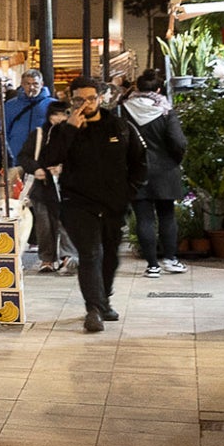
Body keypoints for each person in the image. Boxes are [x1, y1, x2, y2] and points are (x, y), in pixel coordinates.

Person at [40, 76, 146, 334]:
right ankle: (94, 310)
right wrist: (70, 129)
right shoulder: (63, 129)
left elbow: (139, 163)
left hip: (113, 204)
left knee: (110, 255)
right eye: (78, 99)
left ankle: (103, 301)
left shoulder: (119, 126)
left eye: (90, 98)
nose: (85, 104)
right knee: (90, 253)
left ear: (101, 98)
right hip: (77, 203)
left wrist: (128, 192)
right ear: (70, 98)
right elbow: (49, 158)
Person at [122, 73, 191, 277]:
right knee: (167, 215)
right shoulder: (165, 111)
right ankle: (170, 259)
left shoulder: (124, 110)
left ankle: (152, 266)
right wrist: (174, 160)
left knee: (144, 218)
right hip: (164, 169)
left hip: (135, 171)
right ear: (158, 90)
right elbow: (178, 142)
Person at [0, 71, 53, 234]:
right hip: (15, 162)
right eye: (28, 83)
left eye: (35, 84)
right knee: (12, 201)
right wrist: (6, 155)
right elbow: (0, 131)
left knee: (41, 204)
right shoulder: (11, 106)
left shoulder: (51, 106)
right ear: (22, 84)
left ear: (42, 84)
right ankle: (12, 236)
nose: (31, 87)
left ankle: (36, 239)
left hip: (40, 164)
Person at [18, 101, 72, 274]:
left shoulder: (74, 135)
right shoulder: (39, 134)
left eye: (64, 114)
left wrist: (63, 168)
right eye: (56, 114)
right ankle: (47, 259)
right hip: (42, 187)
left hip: (66, 187)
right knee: (44, 224)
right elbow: (24, 156)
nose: (60, 118)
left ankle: (67, 257)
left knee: (65, 222)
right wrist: (36, 169)